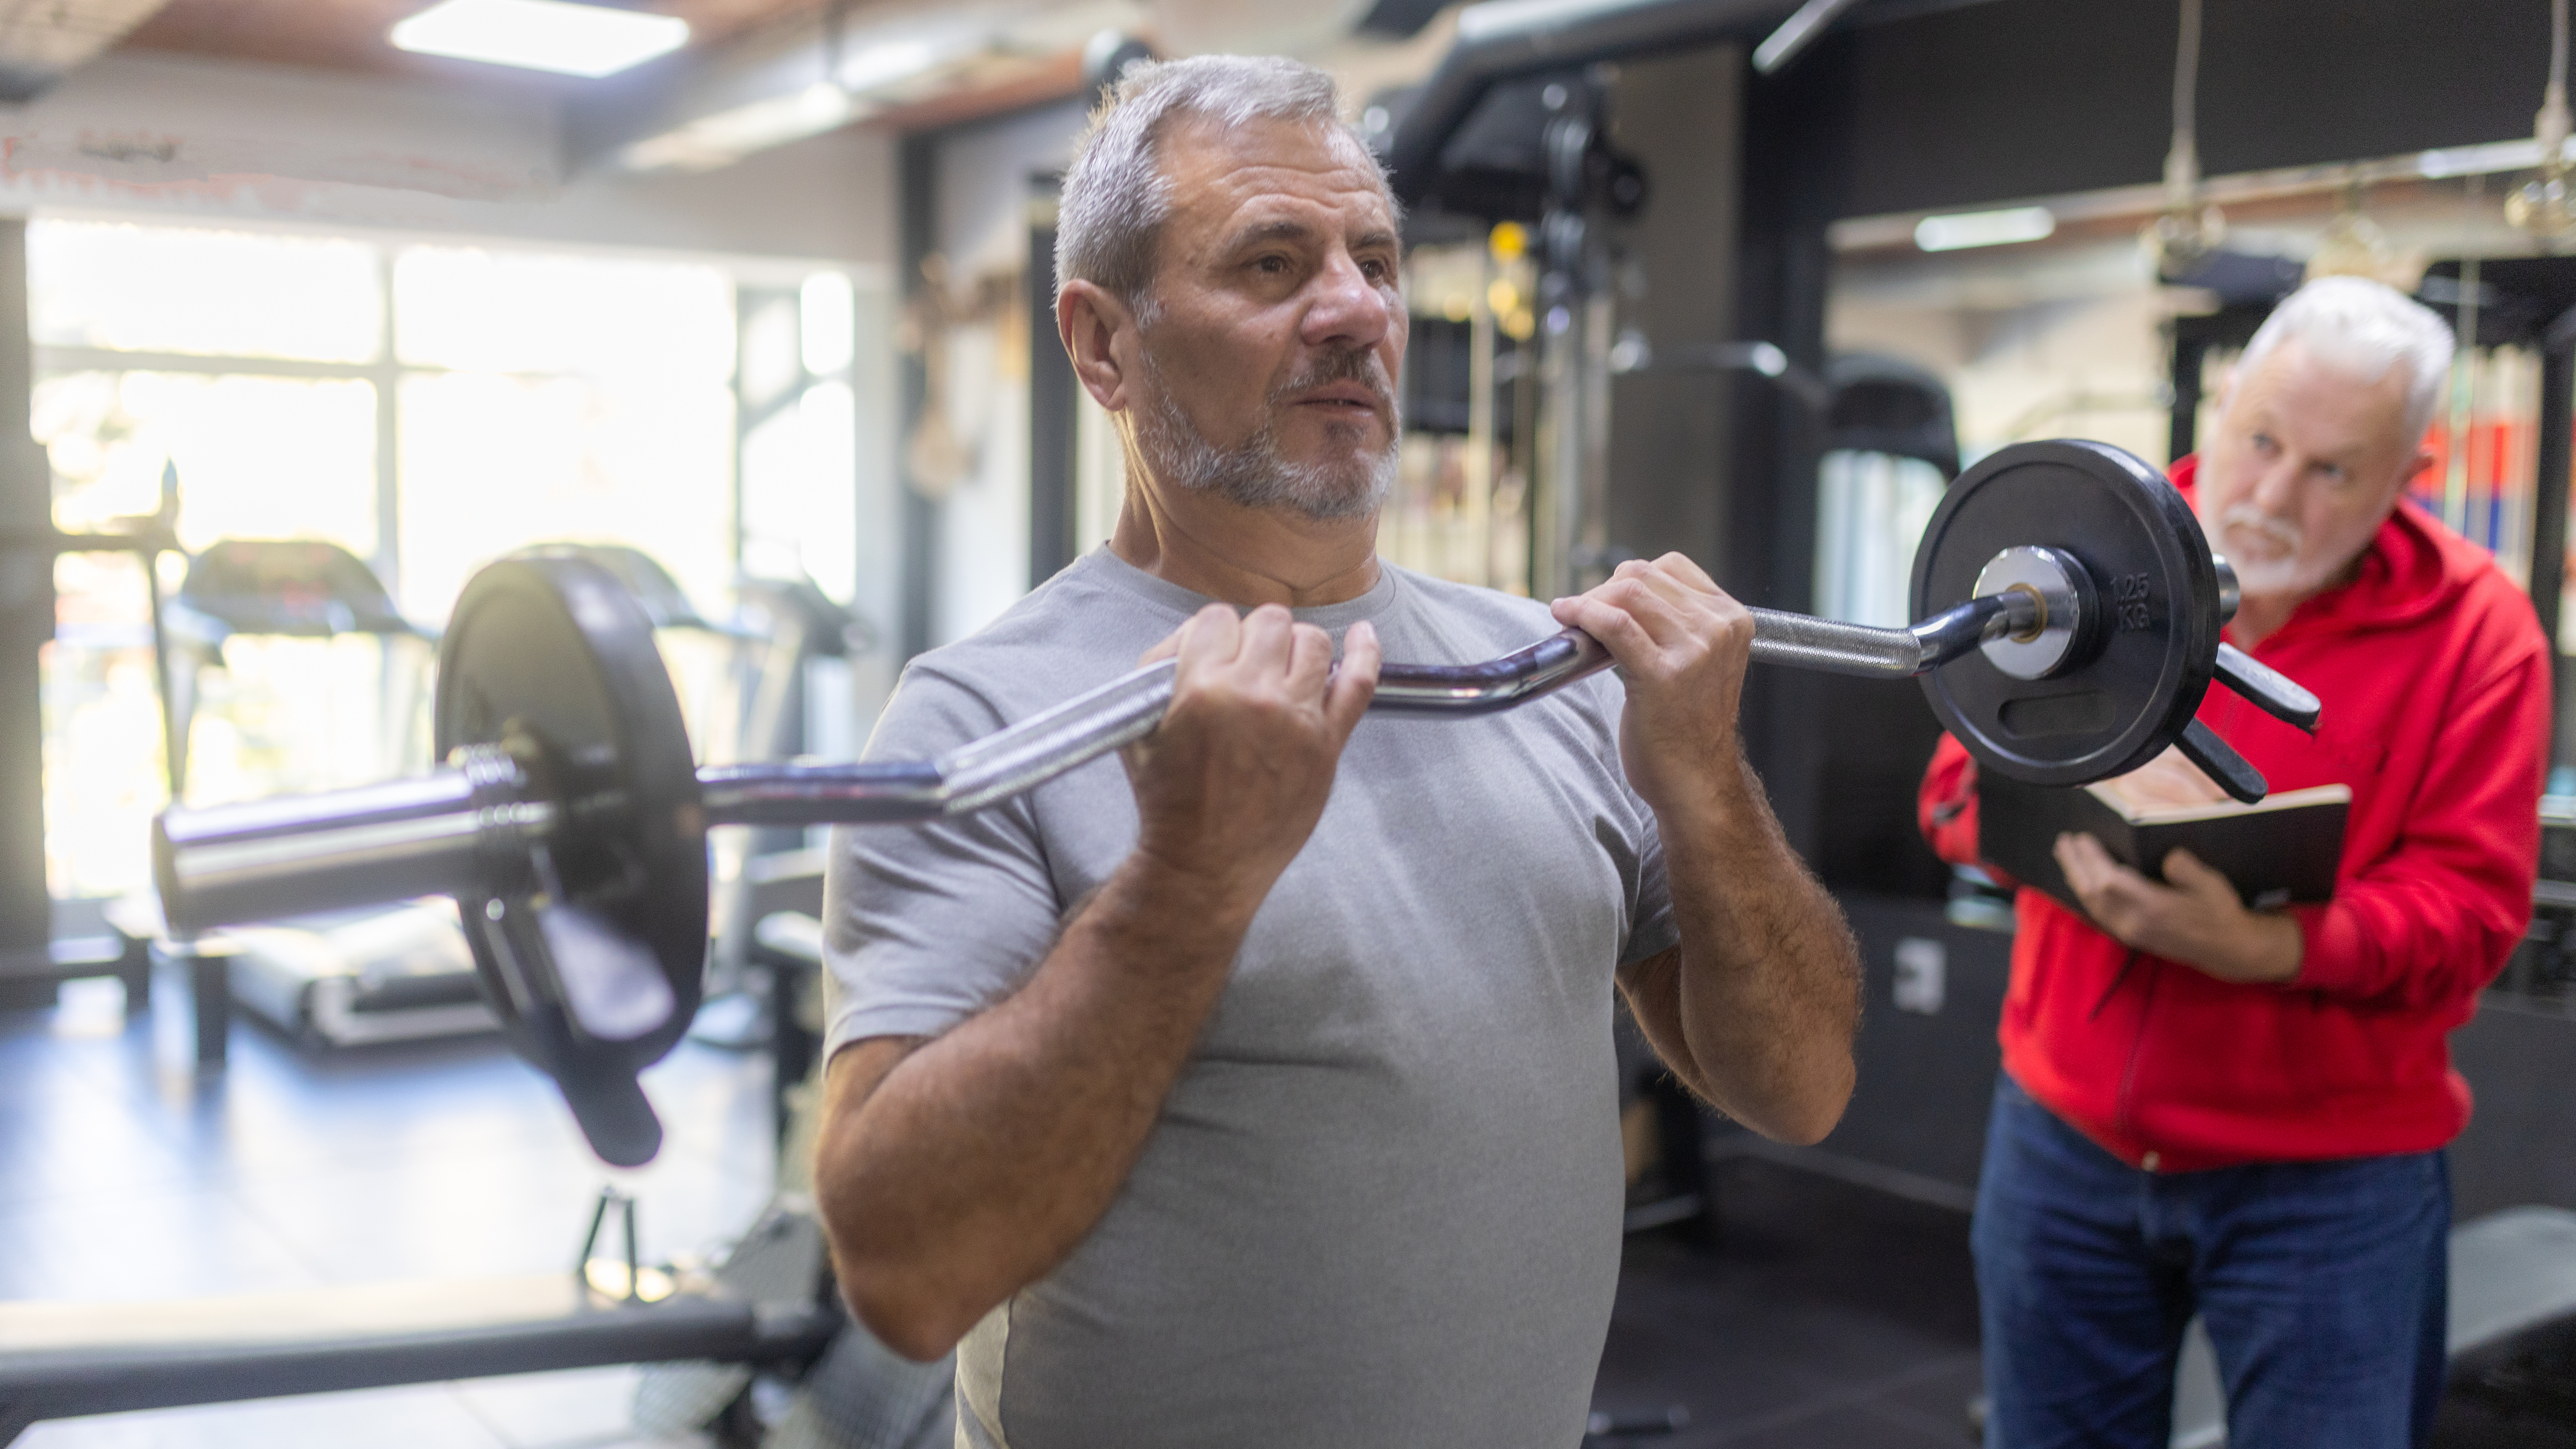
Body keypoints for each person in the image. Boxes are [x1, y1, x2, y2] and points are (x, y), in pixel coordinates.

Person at [810, 54, 1861, 1449]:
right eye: (1270, 262)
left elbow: (1799, 1086)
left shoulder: (1544, 669)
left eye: (1376, 258)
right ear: (1102, 343)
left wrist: (1707, 778)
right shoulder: (984, 719)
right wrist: (1190, 876)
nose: (1357, 308)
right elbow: (905, 1272)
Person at [1919, 275, 2551, 1449]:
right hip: (2065, 1143)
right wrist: (2060, 819)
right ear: (2225, 409)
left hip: (2328, 1185)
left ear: (2407, 475)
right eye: (2260, 439)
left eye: (2330, 471)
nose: (2270, 493)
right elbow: (1954, 796)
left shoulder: (2479, 632)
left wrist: (2274, 946)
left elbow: (2470, 912)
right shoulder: (2085, 560)